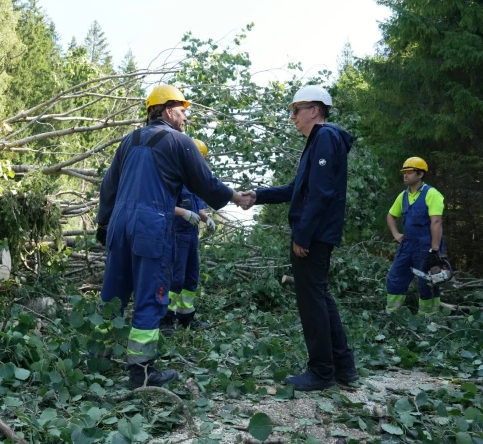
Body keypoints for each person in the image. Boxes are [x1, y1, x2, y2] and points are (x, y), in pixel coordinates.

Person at [96, 84, 253, 389]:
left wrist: (103, 226)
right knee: (150, 298)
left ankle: (99, 358)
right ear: (168, 110)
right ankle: (140, 374)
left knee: (112, 297)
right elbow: (206, 183)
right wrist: (236, 197)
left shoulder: (128, 141)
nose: (185, 118)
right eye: (182, 111)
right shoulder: (179, 141)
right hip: (150, 226)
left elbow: (108, 187)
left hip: (119, 223)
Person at [242, 85, 358, 391]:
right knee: (320, 296)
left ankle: (321, 371)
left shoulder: (325, 137)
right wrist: (258, 195)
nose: (292, 117)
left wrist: (303, 235)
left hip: (315, 235)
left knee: (312, 301)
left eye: (296, 110)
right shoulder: (319, 143)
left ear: (315, 110)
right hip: (319, 233)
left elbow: (321, 195)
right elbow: (298, 188)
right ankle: (343, 367)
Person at [159, 139, 216, 334]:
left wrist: (207, 218)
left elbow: (198, 208)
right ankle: (166, 319)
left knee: (191, 277)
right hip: (176, 234)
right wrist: (183, 213)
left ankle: (186, 317)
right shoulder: (174, 178)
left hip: (192, 235)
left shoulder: (195, 182)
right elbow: (163, 204)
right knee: (176, 278)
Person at [385, 157, 446, 315]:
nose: (405, 175)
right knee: (395, 278)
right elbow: (391, 215)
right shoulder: (403, 196)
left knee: (427, 283)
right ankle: (392, 314)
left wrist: (435, 249)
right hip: (407, 246)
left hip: (427, 247)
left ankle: (429, 319)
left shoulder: (431, 194)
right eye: (404, 172)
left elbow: (437, 222)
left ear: (420, 174)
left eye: (409, 172)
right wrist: (396, 234)